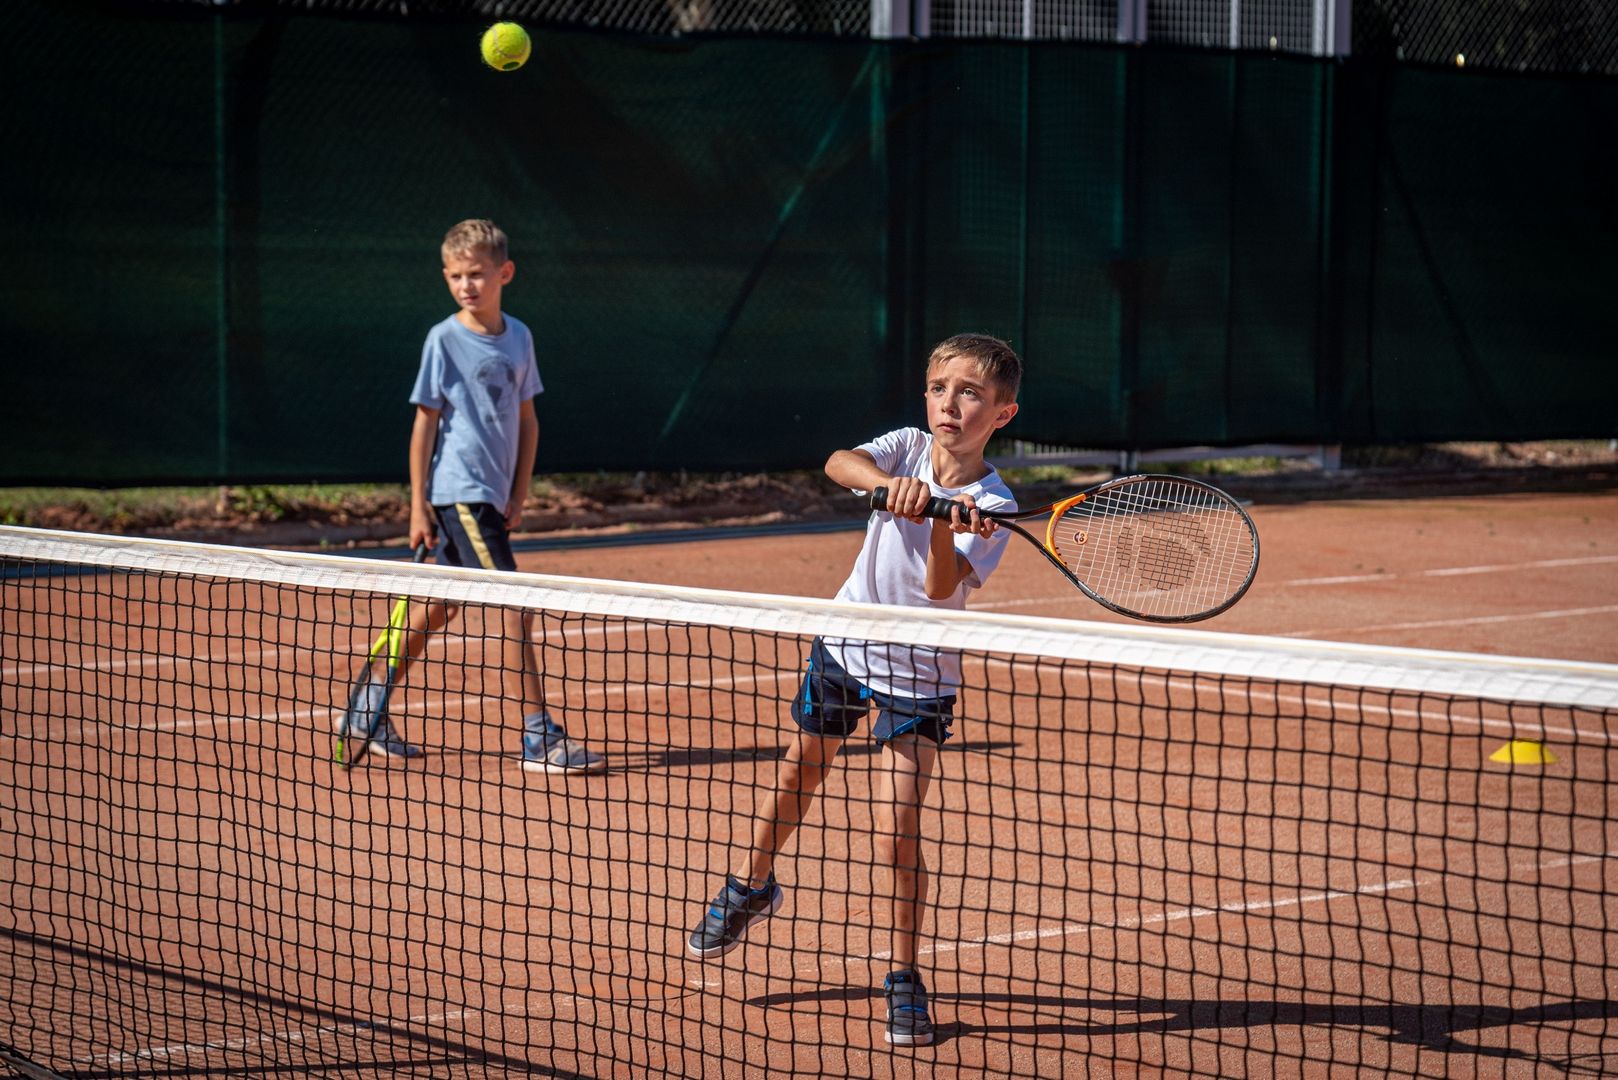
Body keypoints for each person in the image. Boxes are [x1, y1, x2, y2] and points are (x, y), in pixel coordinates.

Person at [685, 333, 1023, 1047]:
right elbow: (839, 461)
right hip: (844, 643)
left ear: (1002, 413)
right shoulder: (903, 446)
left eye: (970, 394)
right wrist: (888, 489)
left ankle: (902, 978)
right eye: (940, 388)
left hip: (920, 676)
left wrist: (935, 520)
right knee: (796, 778)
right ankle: (751, 886)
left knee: (895, 830)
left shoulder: (993, 501)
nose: (950, 404)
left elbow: (939, 588)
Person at [335, 219, 604, 774]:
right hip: (459, 493)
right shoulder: (443, 340)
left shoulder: (520, 336)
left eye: (477, 274)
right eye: (456, 276)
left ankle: (366, 708)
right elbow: (424, 426)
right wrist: (417, 504)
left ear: (503, 273)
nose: (466, 285)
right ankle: (538, 736)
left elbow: (527, 420)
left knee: (436, 609)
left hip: (493, 497)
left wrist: (520, 491)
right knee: (516, 605)